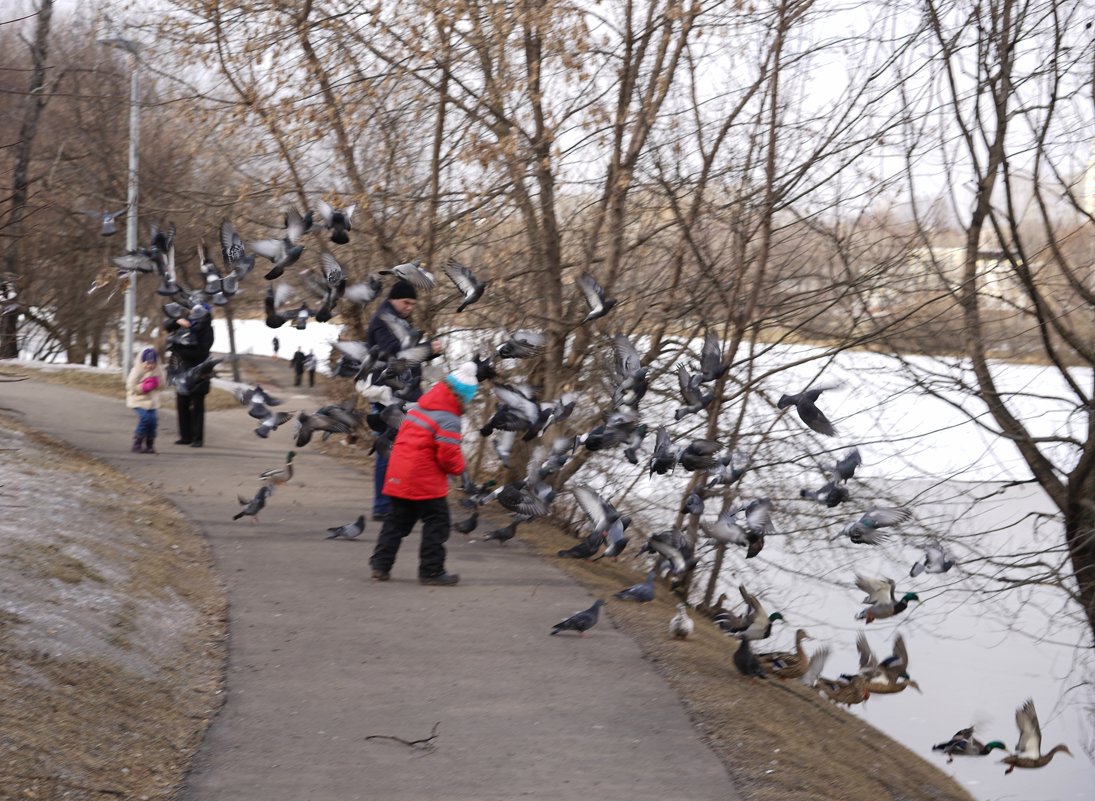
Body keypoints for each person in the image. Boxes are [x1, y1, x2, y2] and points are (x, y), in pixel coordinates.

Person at [369, 362, 479, 586]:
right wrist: (460, 470)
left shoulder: (419, 406)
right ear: (463, 397)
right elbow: (447, 455)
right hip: (423, 478)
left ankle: (380, 565)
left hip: (400, 472)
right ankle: (431, 571)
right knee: (437, 522)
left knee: (396, 521)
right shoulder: (449, 418)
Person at [365, 280, 442, 520]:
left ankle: (396, 502)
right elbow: (394, 354)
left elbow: (407, 355)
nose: (409, 307)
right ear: (392, 299)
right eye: (405, 302)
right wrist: (427, 349)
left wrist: (427, 352)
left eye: (412, 304)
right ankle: (382, 506)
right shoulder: (382, 321)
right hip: (388, 396)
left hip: (402, 394)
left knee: (403, 449)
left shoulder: (398, 321)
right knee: (387, 448)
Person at [165, 303, 215, 447]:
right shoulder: (186, 321)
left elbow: (200, 353)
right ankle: (185, 436)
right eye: (192, 309)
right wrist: (176, 321)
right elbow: (167, 326)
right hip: (181, 371)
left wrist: (177, 348)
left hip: (199, 373)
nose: (193, 311)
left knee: (197, 405)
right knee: (182, 404)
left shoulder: (207, 330)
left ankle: (197, 438)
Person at [125, 347, 167, 453]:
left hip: (152, 401)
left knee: (153, 422)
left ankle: (150, 443)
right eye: (147, 363)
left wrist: (156, 383)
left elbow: (163, 385)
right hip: (138, 399)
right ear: (142, 362)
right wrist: (142, 387)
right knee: (145, 419)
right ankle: (137, 442)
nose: (149, 366)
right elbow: (130, 385)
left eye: (152, 363)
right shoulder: (137, 370)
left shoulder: (158, 371)